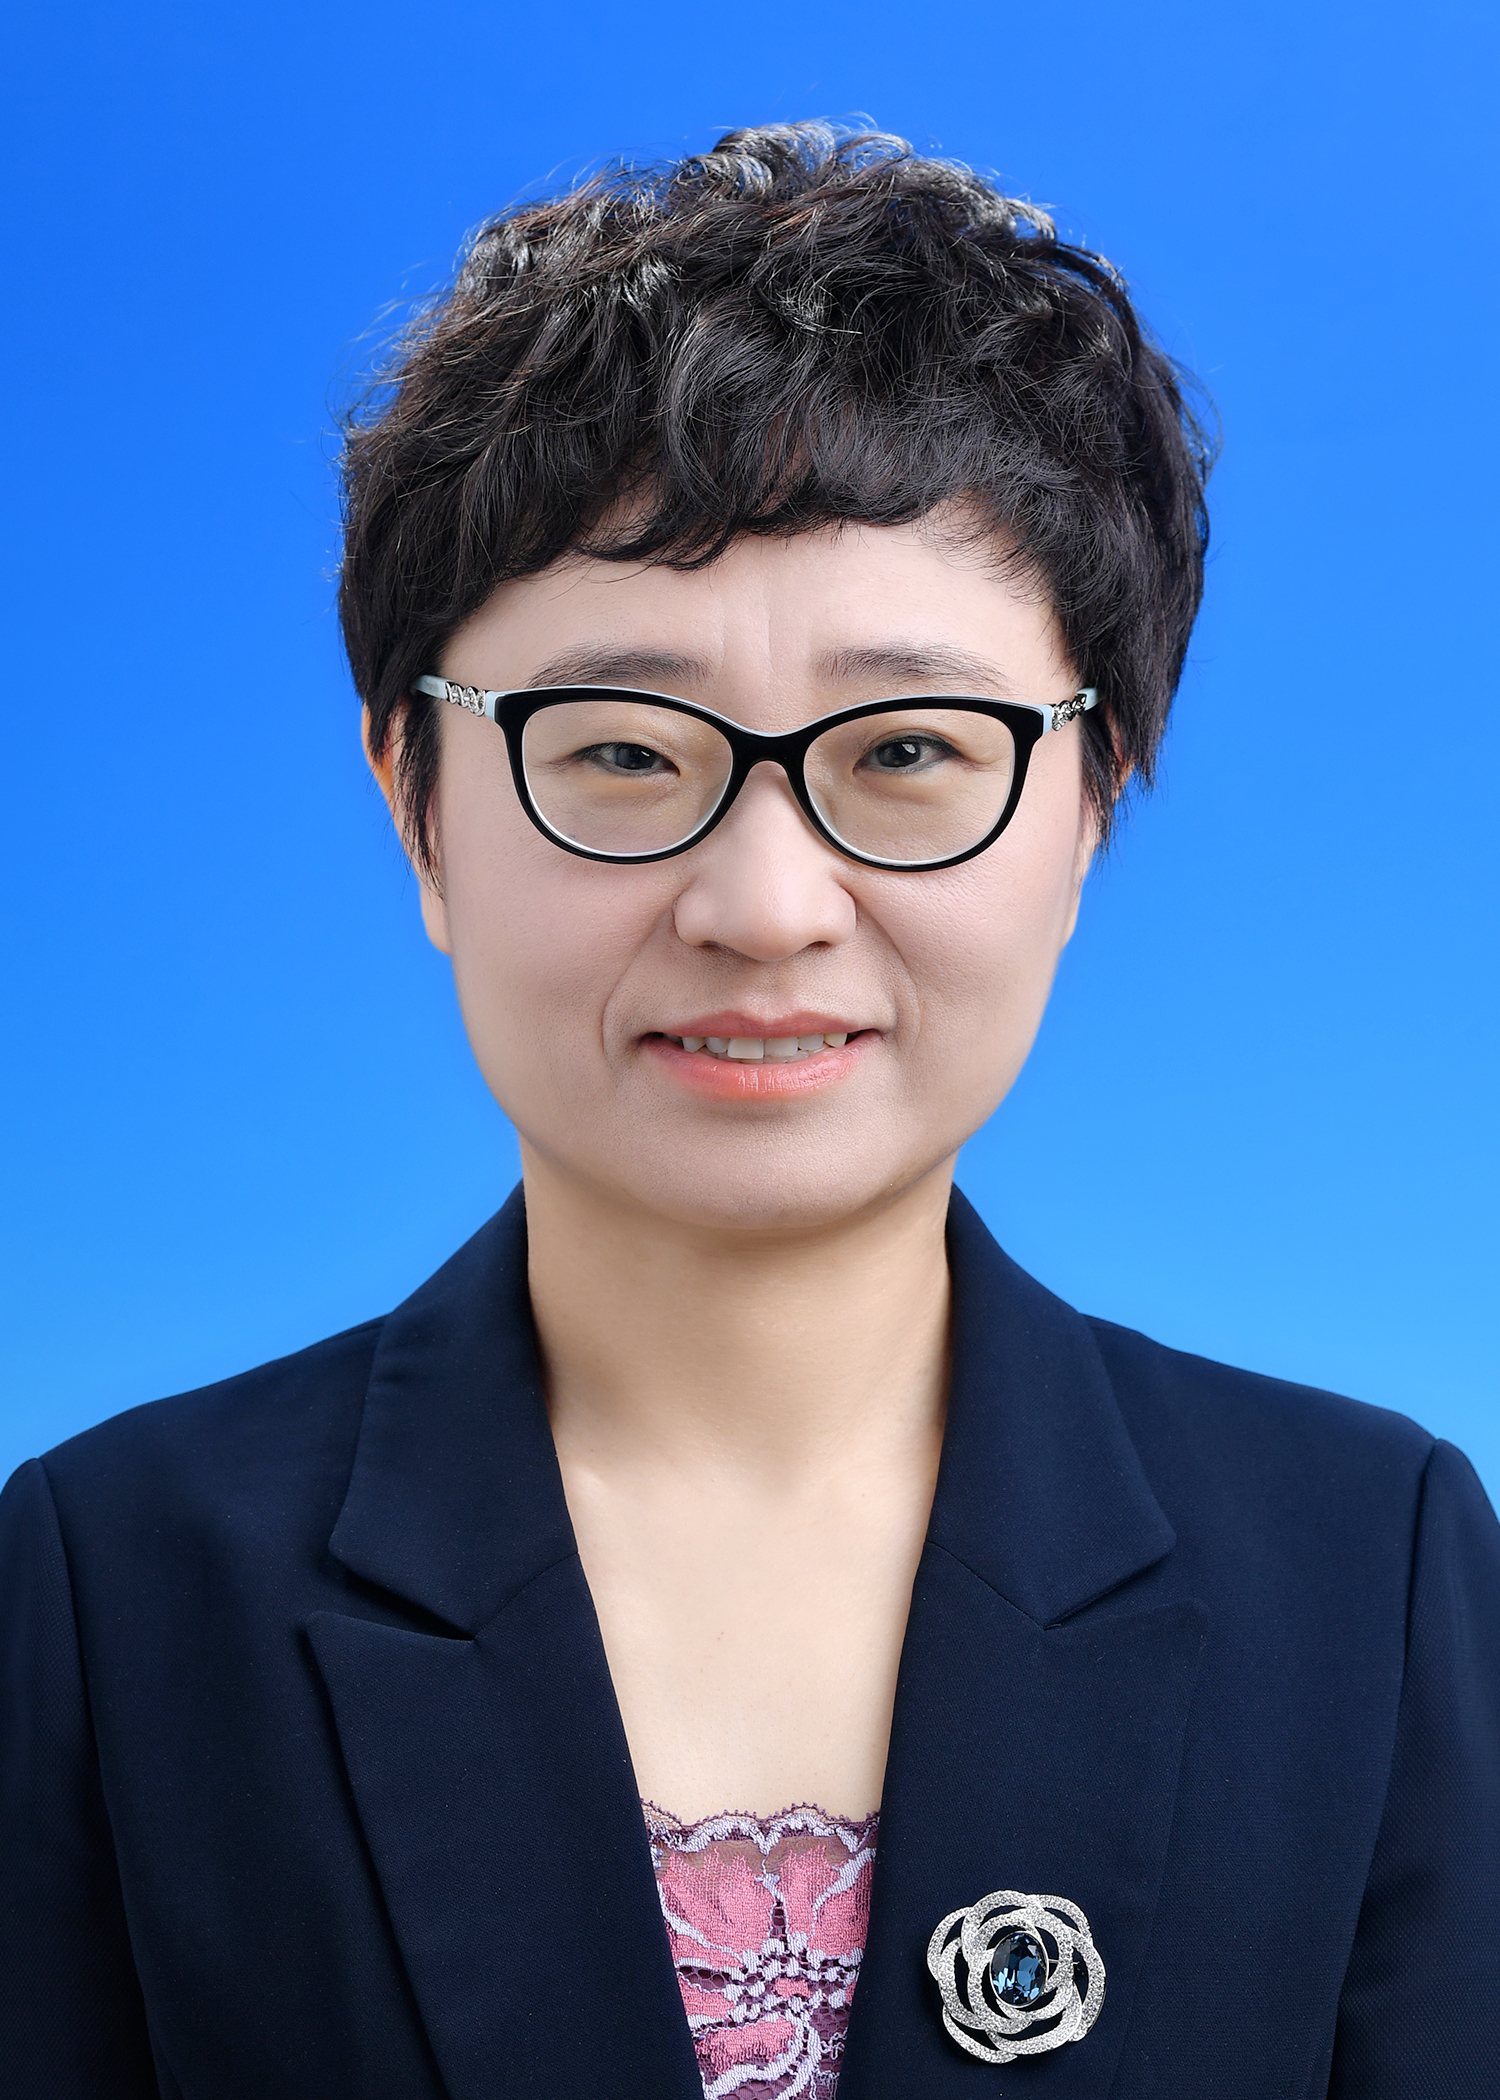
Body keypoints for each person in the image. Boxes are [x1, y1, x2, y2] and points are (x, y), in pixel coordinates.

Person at [2, 122, 1496, 2100]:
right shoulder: (110, 1588)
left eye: (909, 752)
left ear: (1090, 810)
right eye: (623, 753)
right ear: (415, 808)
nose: (767, 906)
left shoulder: (1371, 1569)